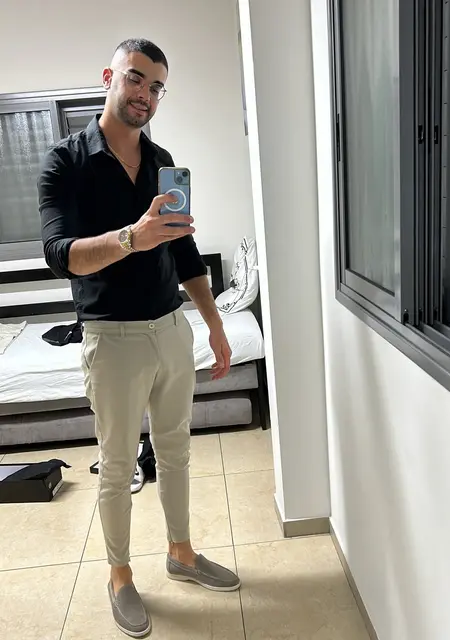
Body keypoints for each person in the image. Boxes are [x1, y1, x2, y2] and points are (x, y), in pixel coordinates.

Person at [38, 38, 240, 638]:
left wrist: (214, 323)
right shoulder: (65, 162)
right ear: (110, 77)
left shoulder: (161, 159)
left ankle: (181, 552)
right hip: (112, 337)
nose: (146, 95)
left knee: (176, 451)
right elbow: (59, 254)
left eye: (156, 87)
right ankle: (120, 576)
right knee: (118, 465)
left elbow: (185, 252)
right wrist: (131, 237)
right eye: (136, 79)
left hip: (171, 328)